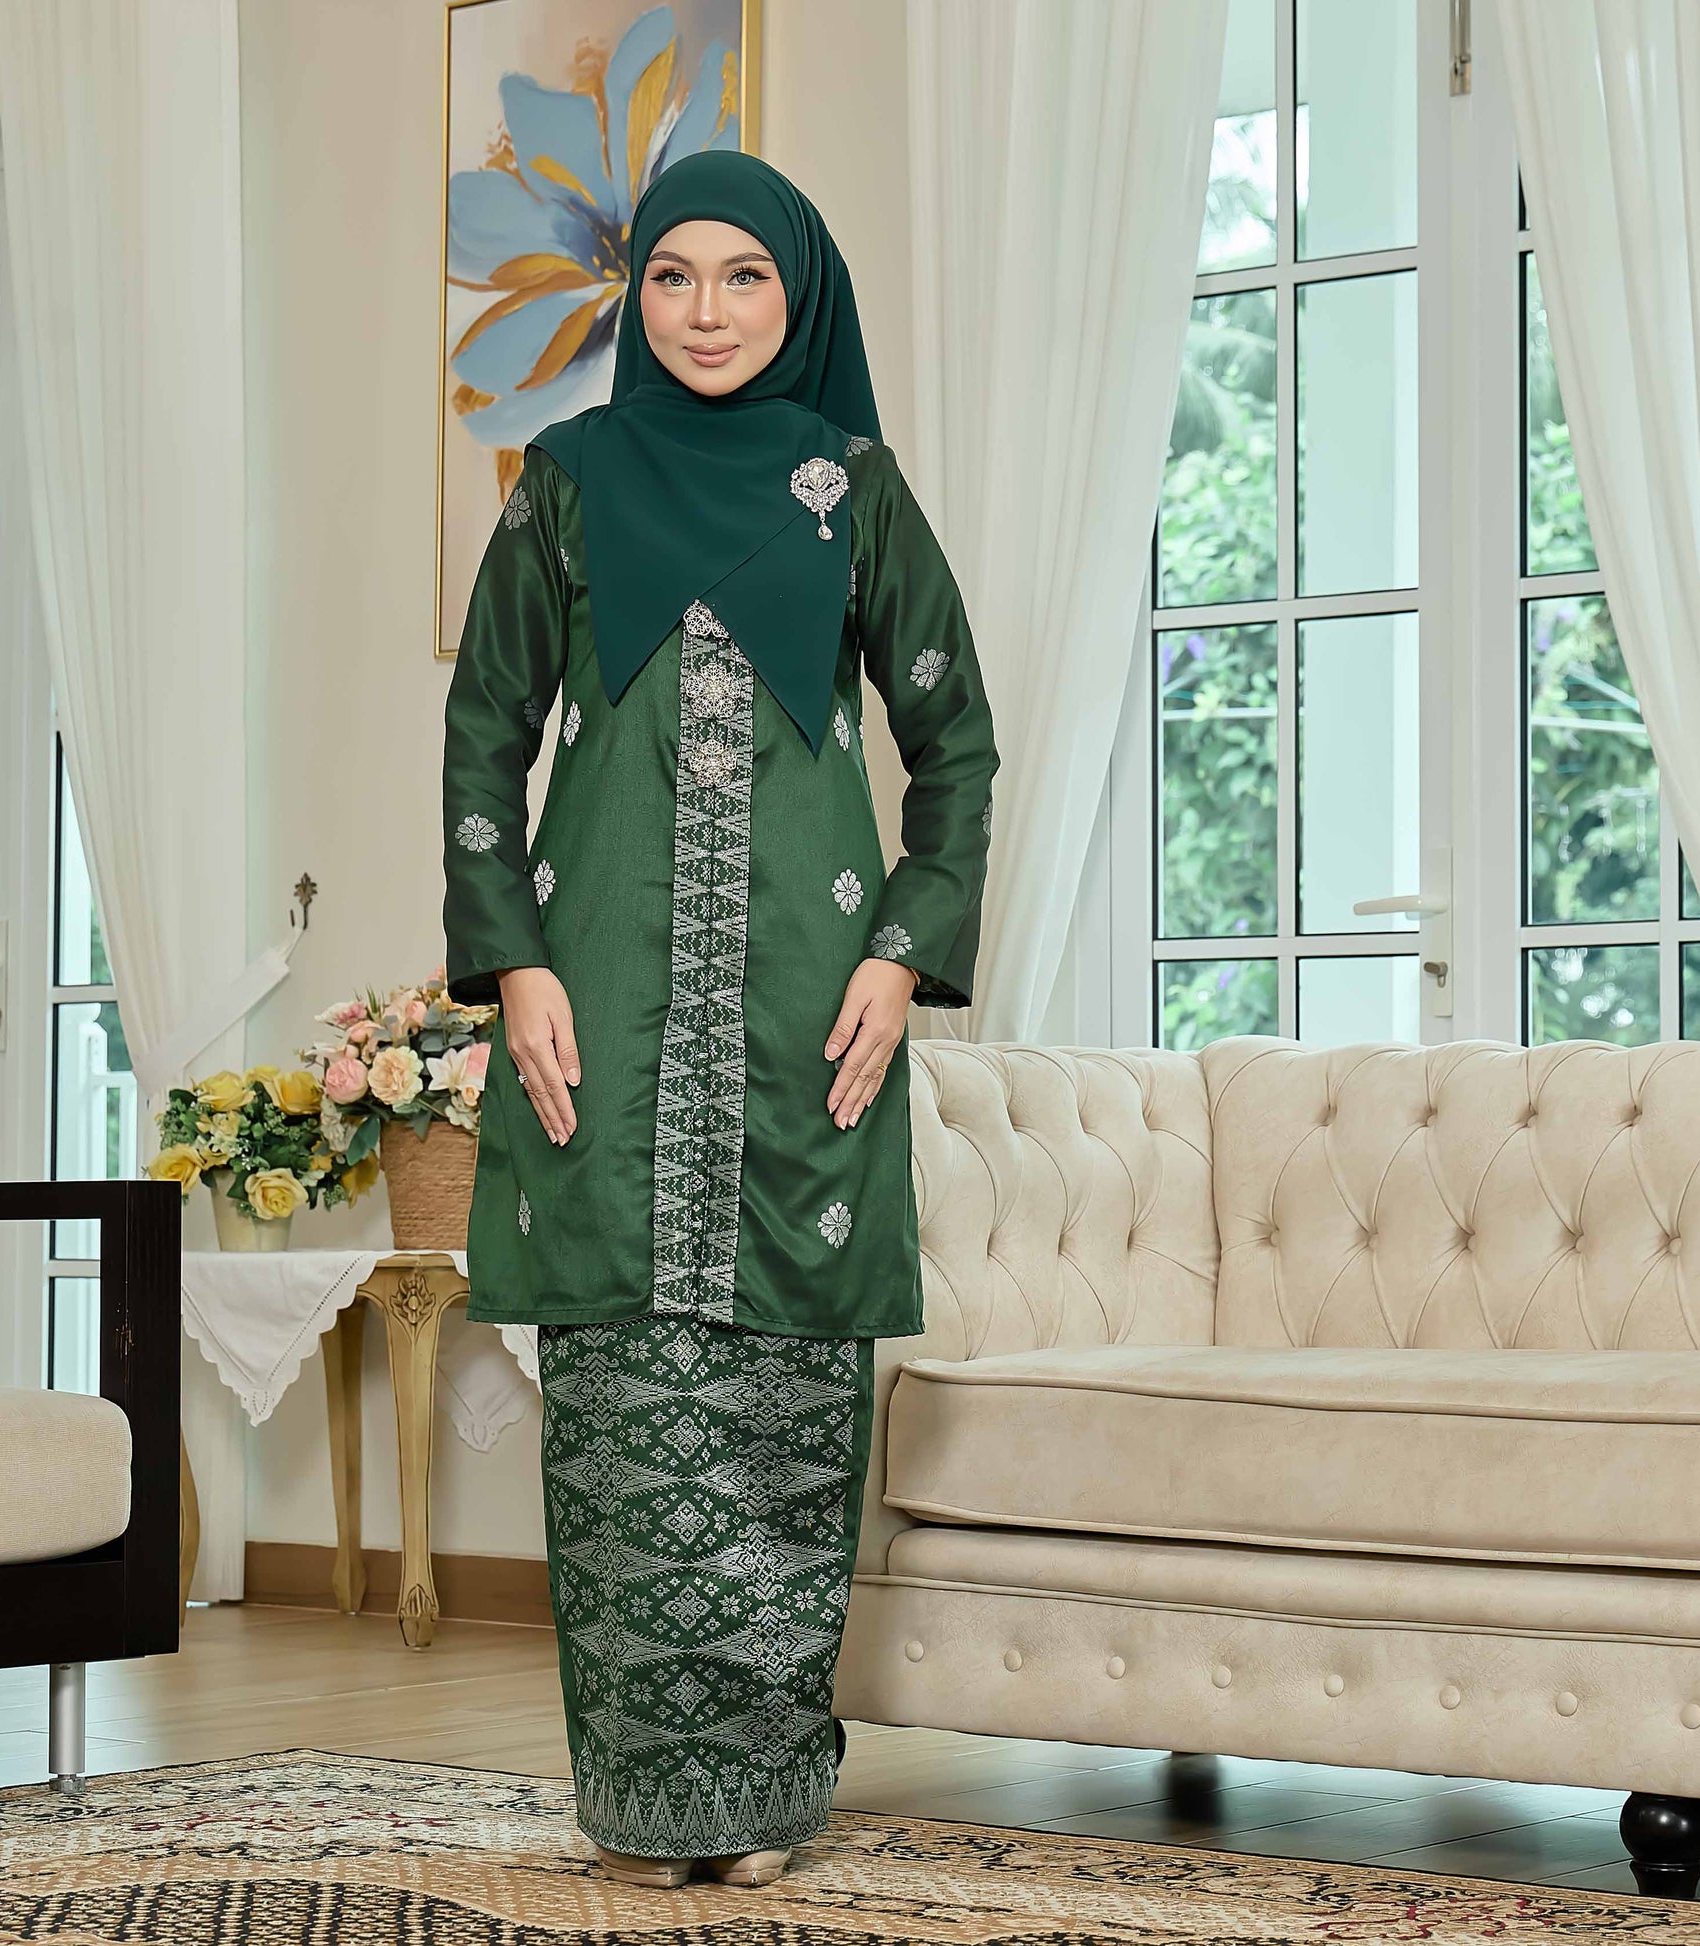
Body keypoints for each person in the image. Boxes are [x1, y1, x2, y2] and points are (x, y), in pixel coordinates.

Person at [438, 147, 999, 1890]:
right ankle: (641, 1794)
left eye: (742, 277)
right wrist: (517, 960)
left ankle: (760, 1796)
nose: (703, 311)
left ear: (798, 294)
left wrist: (900, 954)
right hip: (593, 1007)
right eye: (671, 276)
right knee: (618, 1412)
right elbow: (483, 737)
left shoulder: (855, 492)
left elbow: (955, 748)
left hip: (805, 1013)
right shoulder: (566, 485)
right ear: (637, 298)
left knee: (781, 1409)